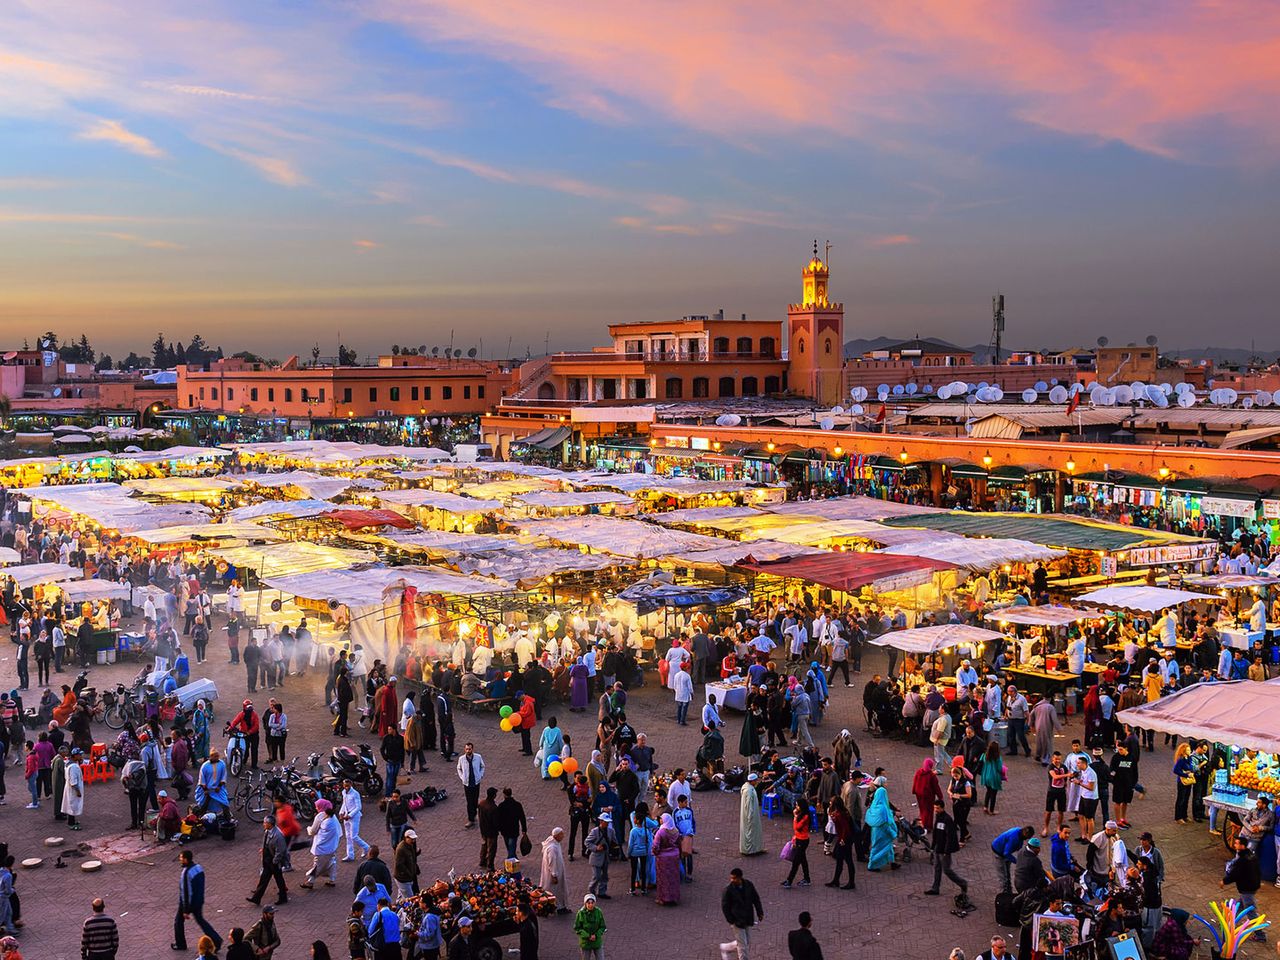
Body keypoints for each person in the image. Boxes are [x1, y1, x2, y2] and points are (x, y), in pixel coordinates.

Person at [173, 849, 222, 953]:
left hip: (188, 902)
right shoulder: (199, 868)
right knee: (201, 921)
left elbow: (186, 892)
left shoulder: (186, 873)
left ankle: (181, 944)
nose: (180, 859)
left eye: (181, 858)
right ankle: (216, 940)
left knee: (178, 922)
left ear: (186, 859)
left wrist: (186, 910)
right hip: (199, 900)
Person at [925, 799, 968, 898]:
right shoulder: (938, 817)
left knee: (947, 870)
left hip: (944, 850)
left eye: (938, 808)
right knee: (937, 868)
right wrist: (933, 846)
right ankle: (935, 888)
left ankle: (962, 883)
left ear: (942, 808)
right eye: (935, 808)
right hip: (937, 848)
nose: (936, 810)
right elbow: (936, 833)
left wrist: (947, 851)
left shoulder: (947, 819)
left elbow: (951, 836)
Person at [1222, 836, 1263, 939]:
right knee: (1239, 906)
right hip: (1251, 887)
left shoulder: (1243, 860)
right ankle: (1229, 923)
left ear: (1242, 846)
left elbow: (1235, 874)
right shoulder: (1250, 855)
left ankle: (1260, 935)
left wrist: (1224, 881)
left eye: (1236, 843)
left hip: (1246, 889)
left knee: (1251, 912)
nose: (1234, 845)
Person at [720, 868, 764, 960]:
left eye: (734, 878)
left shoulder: (748, 885)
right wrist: (731, 920)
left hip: (747, 918)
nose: (732, 880)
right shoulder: (728, 890)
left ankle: (726, 948)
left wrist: (760, 912)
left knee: (745, 941)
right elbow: (725, 906)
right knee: (743, 946)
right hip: (737, 920)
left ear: (740, 878)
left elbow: (756, 899)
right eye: (731, 878)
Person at [247, 815, 289, 906]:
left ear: (270, 824)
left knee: (279, 879)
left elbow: (280, 851)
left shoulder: (278, 836)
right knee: (264, 878)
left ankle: (283, 897)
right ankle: (256, 898)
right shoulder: (267, 831)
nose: (263, 824)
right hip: (267, 858)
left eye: (265, 823)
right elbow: (265, 842)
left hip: (273, 860)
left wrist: (275, 861)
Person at [302, 799, 341, 889]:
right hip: (332, 846)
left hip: (322, 847)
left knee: (317, 864)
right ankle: (332, 879)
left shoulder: (320, 816)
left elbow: (312, 831)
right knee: (331, 862)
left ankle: (310, 882)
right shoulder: (334, 818)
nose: (316, 808)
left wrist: (308, 828)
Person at [864, 780, 898, 872]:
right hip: (883, 833)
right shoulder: (883, 808)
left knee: (886, 847)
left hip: (876, 832)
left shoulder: (874, 806)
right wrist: (893, 833)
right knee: (879, 849)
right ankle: (872, 866)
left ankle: (892, 862)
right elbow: (885, 822)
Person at [991, 825, 1033, 894]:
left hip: (1005, 853)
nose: (1026, 839)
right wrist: (1017, 862)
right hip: (999, 854)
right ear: (1025, 833)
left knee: (1007, 875)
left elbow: (1019, 847)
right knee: (1003, 878)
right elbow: (1006, 853)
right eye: (1027, 837)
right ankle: (1003, 896)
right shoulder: (1013, 838)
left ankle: (1008, 893)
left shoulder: (1019, 832)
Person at [651, 812, 682, 904]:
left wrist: (655, 853)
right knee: (673, 878)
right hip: (674, 857)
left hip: (663, 858)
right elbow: (679, 843)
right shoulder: (675, 831)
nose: (660, 820)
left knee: (663, 879)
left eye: (661, 819)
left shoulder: (661, 832)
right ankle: (674, 897)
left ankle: (663, 898)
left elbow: (655, 846)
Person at [781, 798, 812, 888]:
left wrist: (794, 816)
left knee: (796, 862)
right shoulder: (801, 814)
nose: (796, 807)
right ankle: (807, 878)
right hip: (799, 839)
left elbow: (797, 827)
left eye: (798, 805)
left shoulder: (805, 816)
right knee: (803, 860)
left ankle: (789, 880)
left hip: (803, 841)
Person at [540, 828, 570, 913]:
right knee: (556, 891)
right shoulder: (552, 848)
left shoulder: (553, 842)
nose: (563, 836)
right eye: (561, 834)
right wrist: (554, 875)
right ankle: (558, 907)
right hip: (554, 874)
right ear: (557, 836)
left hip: (556, 871)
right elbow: (552, 862)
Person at [340, 778, 370, 862]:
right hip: (346, 815)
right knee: (348, 836)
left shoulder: (355, 794)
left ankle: (366, 847)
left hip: (354, 817)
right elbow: (344, 804)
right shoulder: (343, 792)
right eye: (345, 786)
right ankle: (350, 855)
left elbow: (358, 807)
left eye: (348, 786)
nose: (346, 787)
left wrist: (350, 815)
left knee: (354, 836)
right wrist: (341, 812)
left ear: (351, 785)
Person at [456, 743, 484, 829]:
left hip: (476, 782)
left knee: (475, 799)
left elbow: (482, 766)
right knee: (469, 801)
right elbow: (459, 768)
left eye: (470, 749)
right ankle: (470, 819)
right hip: (467, 783)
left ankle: (474, 813)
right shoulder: (461, 759)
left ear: (472, 749)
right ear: (465, 750)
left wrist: (480, 775)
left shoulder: (478, 757)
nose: (468, 751)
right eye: (467, 749)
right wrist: (462, 777)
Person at [586, 812, 612, 899]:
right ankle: (591, 890)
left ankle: (602, 892)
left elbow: (613, 841)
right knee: (596, 876)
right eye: (606, 822)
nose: (607, 824)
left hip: (605, 857)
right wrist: (596, 847)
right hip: (596, 857)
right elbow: (587, 842)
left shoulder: (610, 831)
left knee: (605, 876)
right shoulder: (595, 832)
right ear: (601, 821)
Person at [573, 893, 606, 960]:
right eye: (588, 903)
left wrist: (596, 935)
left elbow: (603, 927)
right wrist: (588, 936)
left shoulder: (598, 912)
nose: (590, 905)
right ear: (585, 903)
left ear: (595, 903)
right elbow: (577, 928)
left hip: (597, 941)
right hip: (586, 943)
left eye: (592, 902)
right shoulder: (580, 913)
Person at [739, 773, 765, 855]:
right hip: (751, 814)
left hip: (751, 813)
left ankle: (755, 848)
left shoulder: (746, 787)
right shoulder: (749, 791)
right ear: (752, 781)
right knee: (750, 831)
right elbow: (749, 805)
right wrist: (750, 816)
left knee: (752, 831)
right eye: (756, 780)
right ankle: (750, 850)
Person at [62, 746, 84, 829]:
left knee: (71, 805)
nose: (81, 756)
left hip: (69, 788)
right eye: (79, 755)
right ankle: (71, 824)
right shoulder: (73, 767)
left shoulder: (69, 764)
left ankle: (72, 821)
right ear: (75, 756)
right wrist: (78, 791)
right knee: (72, 805)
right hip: (73, 789)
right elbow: (73, 781)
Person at [393, 831, 420, 899]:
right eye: (411, 839)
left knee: (402, 894)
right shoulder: (401, 849)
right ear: (406, 838)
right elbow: (399, 864)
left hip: (407, 877)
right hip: (403, 878)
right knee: (410, 898)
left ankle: (398, 905)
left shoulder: (409, 845)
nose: (413, 841)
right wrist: (409, 873)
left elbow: (411, 858)